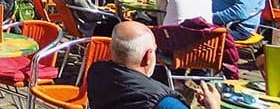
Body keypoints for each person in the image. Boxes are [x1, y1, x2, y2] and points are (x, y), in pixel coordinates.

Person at [87, 21, 221, 109]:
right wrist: (214, 107)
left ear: (112, 49)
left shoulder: (96, 72)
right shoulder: (164, 103)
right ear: (148, 56)